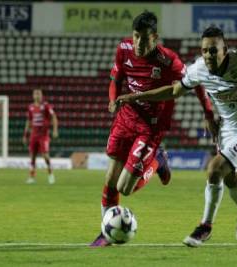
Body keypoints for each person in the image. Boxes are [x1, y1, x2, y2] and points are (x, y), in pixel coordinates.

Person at [117, 26, 237, 247]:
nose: (209, 55)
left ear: (225, 49)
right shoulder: (198, 70)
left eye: (213, 50)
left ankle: (205, 226)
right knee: (231, 177)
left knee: (214, 169)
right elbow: (174, 91)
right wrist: (137, 96)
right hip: (227, 132)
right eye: (204, 51)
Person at [90, 12, 213, 247]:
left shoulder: (168, 60)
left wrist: (208, 113)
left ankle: (158, 160)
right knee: (110, 180)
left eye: (144, 39)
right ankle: (106, 233)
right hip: (125, 119)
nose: (138, 43)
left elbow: (196, 82)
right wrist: (113, 99)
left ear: (155, 37)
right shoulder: (123, 49)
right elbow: (116, 79)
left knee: (125, 188)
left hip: (150, 127)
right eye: (136, 36)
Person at [22, 89, 58, 184]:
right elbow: (29, 121)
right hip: (34, 135)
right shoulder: (30, 107)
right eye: (35, 94)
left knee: (45, 155)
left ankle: (51, 175)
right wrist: (25, 135)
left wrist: (55, 130)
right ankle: (32, 177)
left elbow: (53, 116)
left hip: (43, 135)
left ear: (42, 95)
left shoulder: (46, 106)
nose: (37, 95)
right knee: (32, 156)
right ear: (33, 95)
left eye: (39, 94)